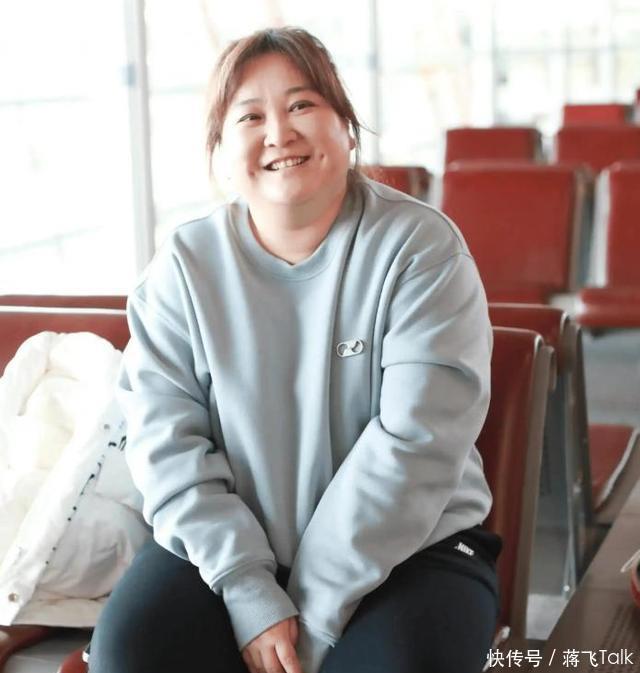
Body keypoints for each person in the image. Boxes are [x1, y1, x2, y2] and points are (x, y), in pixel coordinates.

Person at [89, 26, 501, 673]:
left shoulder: (421, 250)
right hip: (224, 552)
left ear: (347, 128)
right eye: (250, 116)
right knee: (129, 654)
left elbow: (415, 444)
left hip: (412, 549)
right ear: (222, 151)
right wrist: (250, 591)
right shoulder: (182, 269)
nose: (279, 132)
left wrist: (306, 619)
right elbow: (167, 447)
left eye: (303, 104)